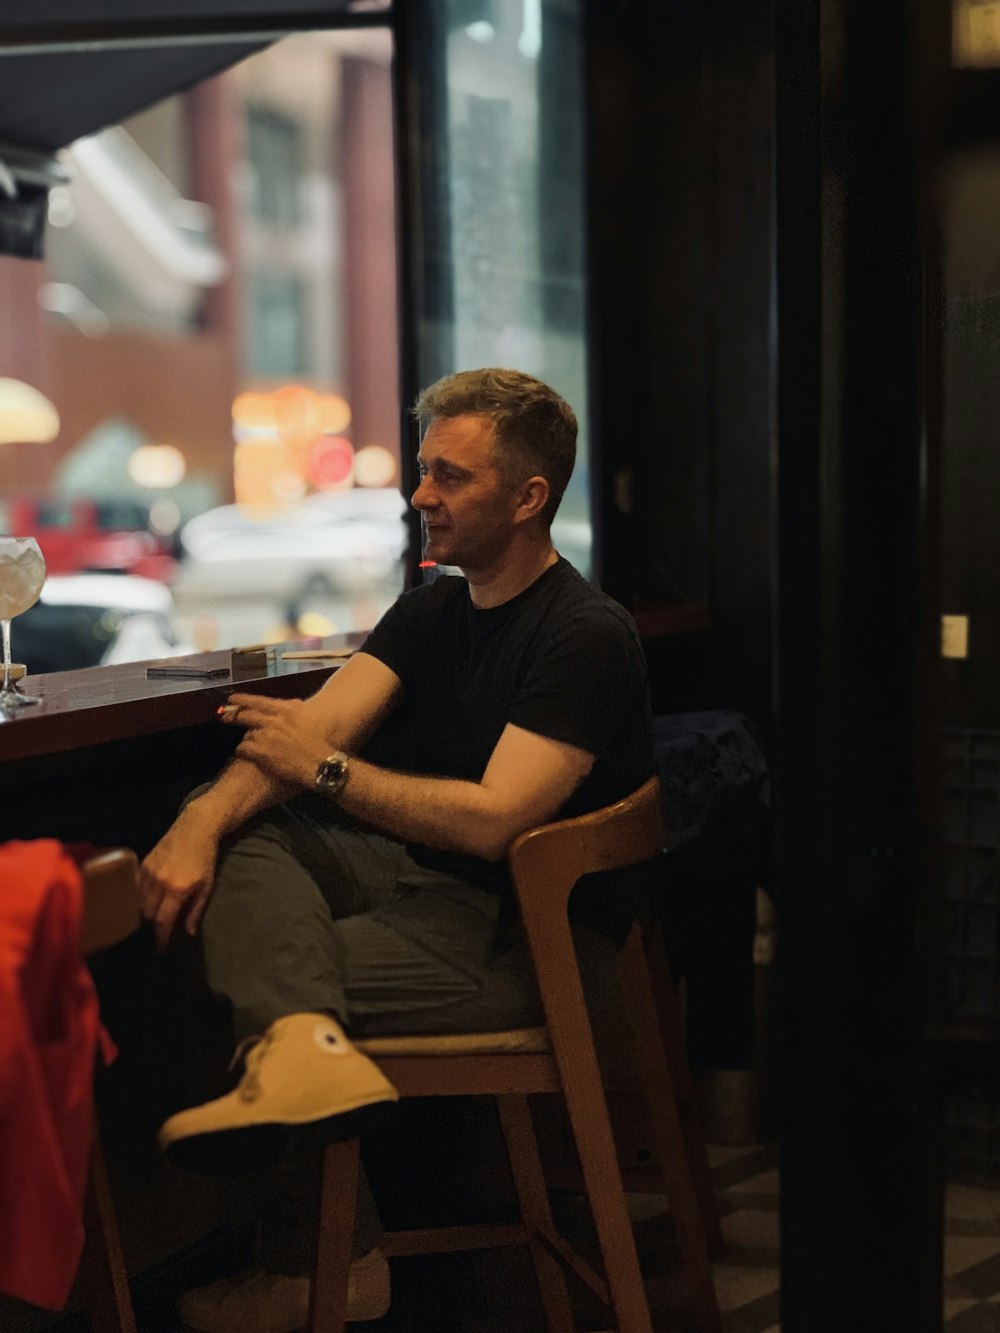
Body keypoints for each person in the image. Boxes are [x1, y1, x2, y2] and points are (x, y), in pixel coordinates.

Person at [138, 367, 655, 1329]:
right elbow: (315, 730)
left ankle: (320, 1261)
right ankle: (304, 1075)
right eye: (424, 471)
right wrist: (200, 821)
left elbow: (496, 820)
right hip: (419, 889)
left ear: (528, 495)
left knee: (242, 959)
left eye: (449, 476)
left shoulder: (587, 634)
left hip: (526, 943)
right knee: (240, 835)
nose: (421, 495)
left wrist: (322, 768)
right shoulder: (430, 609)